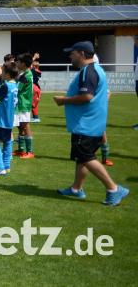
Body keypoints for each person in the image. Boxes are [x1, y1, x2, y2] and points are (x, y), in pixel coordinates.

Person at [54, 41, 129, 206]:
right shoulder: (94, 69)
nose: (70, 56)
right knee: (82, 158)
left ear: (81, 53)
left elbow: (87, 96)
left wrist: (63, 100)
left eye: (72, 53)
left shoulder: (88, 71)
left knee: (86, 157)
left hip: (86, 124)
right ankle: (76, 188)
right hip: (92, 123)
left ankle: (113, 189)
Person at [0, 62, 19, 176]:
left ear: (8, 74)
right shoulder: (15, 86)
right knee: (7, 141)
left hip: (1, 119)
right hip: (9, 119)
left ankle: (0, 167)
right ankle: (6, 166)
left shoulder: (5, 86)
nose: (2, 73)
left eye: (3, 71)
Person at [15, 53, 35, 158]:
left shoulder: (26, 76)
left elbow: (17, 89)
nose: (16, 64)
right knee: (20, 126)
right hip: (21, 103)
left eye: (18, 62)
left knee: (26, 126)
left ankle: (30, 151)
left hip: (24, 103)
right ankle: (21, 150)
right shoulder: (26, 73)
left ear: (23, 63)